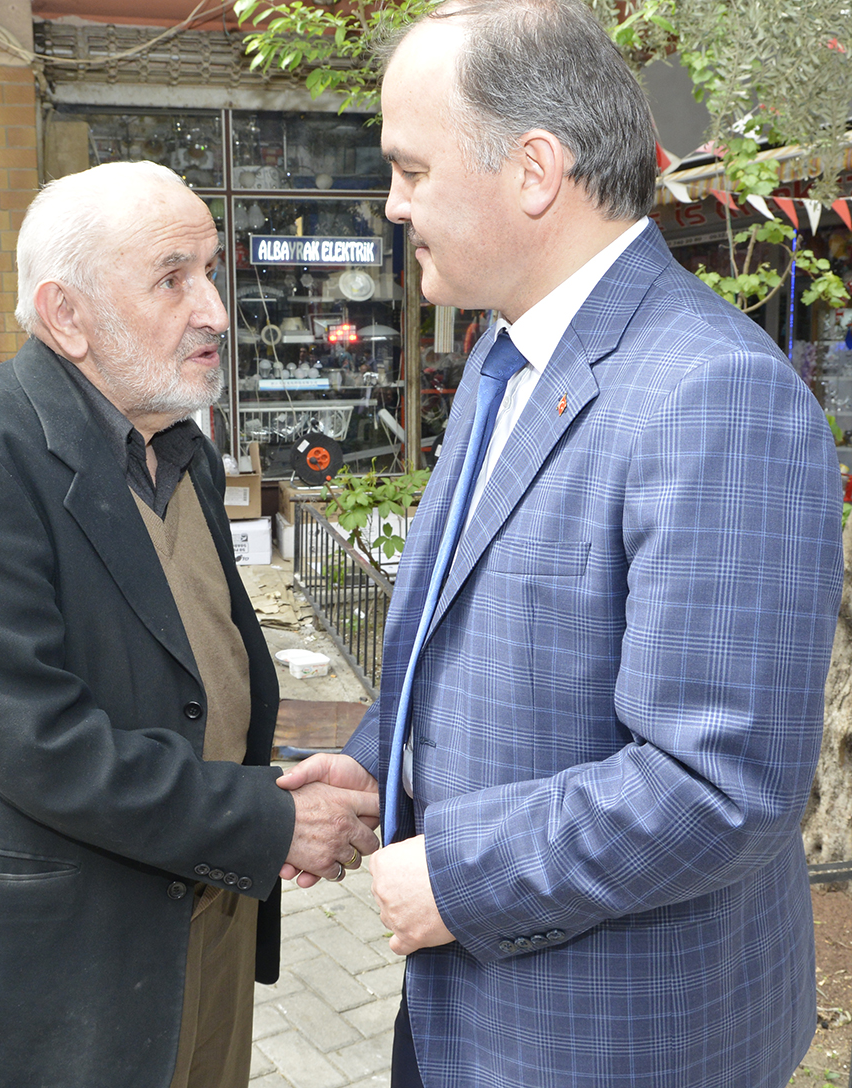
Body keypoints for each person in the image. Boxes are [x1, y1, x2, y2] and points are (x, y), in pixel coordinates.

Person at [276, 2, 845, 1086]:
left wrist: (459, 874)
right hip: (472, 1018)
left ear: (534, 170)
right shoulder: (505, 356)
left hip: (615, 1041)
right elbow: (470, 631)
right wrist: (382, 758)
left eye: (411, 169)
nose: (392, 204)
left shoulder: (716, 395)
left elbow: (719, 782)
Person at [0, 160, 379, 1088]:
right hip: (70, 963)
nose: (215, 311)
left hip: (208, 908)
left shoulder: (182, 447)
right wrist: (268, 821)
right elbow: (37, 743)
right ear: (67, 316)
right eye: (172, 278)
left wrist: (271, 797)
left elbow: (188, 668)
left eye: (211, 271)